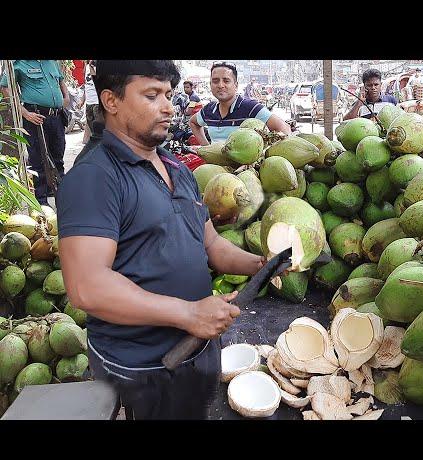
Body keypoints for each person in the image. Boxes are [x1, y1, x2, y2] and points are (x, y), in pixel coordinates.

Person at [57, 60, 267, 420]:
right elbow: (86, 287)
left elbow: (211, 245)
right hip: (143, 367)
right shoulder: (94, 177)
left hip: (198, 349)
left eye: (169, 94)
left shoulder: (176, 168)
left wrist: (259, 263)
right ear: (111, 100)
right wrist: (187, 313)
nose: (168, 106)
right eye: (151, 95)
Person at [0, 60, 70, 207]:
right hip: (35, 118)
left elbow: (60, 80)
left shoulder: (52, 62)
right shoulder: (19, 63)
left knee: (58, 159)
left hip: (56, 117)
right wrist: (25, 113)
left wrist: (66, 98)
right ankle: (42, 204)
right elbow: (5, 87)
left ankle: (63, 200)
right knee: (37, 160)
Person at [189, 62, 291, 144]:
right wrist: (206, 147)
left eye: (226, 81)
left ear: (236, 85)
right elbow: (193, 122)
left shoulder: (250, 108)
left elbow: (284, 128)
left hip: (244, 169)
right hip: (216, 168)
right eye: (215, 81)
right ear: (210, 85)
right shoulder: (208, 110)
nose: (220, 85)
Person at [82, 60, 102, 144]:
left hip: (97, 102)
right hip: (89, 102)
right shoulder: (85, 67)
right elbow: (86, 85)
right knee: (91, 127)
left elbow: (97, 81)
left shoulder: (99, 66)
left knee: (100, 129)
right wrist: (82, 100)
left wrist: (91, 67)